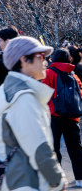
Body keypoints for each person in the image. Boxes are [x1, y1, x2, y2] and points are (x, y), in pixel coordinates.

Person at [0, 35, 66, 191]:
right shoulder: (24, 97)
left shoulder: (6, 91)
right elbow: (38, 147)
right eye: (40, 56)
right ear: (24, 60)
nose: (45, 61)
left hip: (14, 180)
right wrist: (58, 180)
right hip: (28, 182)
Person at [43, 47, 82, 187]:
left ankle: (56, 179)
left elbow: (43, 94)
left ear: (53, 58)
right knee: (75, 149)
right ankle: (80, 179)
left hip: (54, 116)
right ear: (68, 59)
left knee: (54, 149)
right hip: (72, 117)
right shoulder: (74, 75)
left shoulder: (48, 73)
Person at [0, 26, 19, 93]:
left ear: (8, 41)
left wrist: (0, 55)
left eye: (0, 41)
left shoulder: (12, 59)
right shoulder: (20, 55)